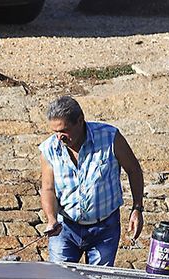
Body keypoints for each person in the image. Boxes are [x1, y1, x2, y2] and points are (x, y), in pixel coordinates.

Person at [37, 95, 144, 265]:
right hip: (66, 229)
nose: (59, 138)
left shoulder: (110, 138)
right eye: (55, 132)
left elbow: (134, 170)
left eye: (63, 131)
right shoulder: (49, 149)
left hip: (105, 229)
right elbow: (48, 188)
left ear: (80, 121)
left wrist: (137, 208)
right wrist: (51, 219)